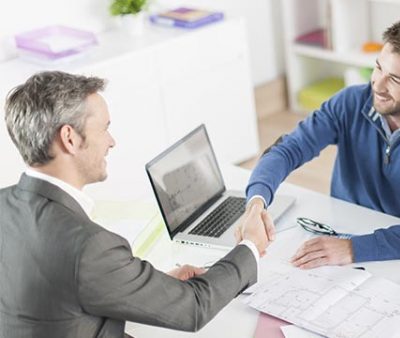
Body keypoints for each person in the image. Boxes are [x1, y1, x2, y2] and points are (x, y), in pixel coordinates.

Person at [0, 71, 275, 337]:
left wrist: (143, 286)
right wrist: (249, 246)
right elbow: (193, 306)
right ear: (69, 138)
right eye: (105, 129)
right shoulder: (89, 246)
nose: (112, 142)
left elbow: (56, 291)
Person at [244, 17, 400, 269]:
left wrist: (353, 249)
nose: (378, 84)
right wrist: (256, 203)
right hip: (339, 232)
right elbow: (288, 150)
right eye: (378, 68)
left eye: (394, 80)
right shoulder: (350, 102)